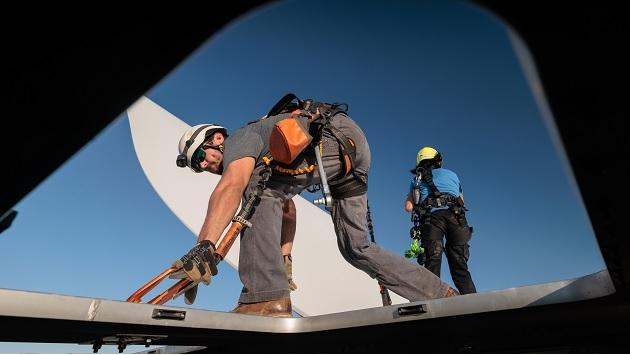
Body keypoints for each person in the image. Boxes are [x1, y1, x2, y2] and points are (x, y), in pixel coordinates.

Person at [174, 95, 458, 317]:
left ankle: (265, 298)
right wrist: (284, 261)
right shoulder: (259, 157)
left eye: (200, 154)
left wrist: (204, 248)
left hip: (330, 141)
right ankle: (438, 293)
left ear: (218, 139)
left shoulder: (239, 140)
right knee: (356, 247)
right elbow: (287, 208)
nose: (203, 164)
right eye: (196, 166)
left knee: (253, 193)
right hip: (350, 152)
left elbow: (230, 187)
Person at [404, 147, 476, 294]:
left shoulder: (417, 179)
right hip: (457, 219)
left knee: (432, 262)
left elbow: (408, 207)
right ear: (439, 160)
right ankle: (474, 302)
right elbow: (462, 201)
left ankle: (431, 303)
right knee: (460, 266)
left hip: (432, 220)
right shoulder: (453, 175)